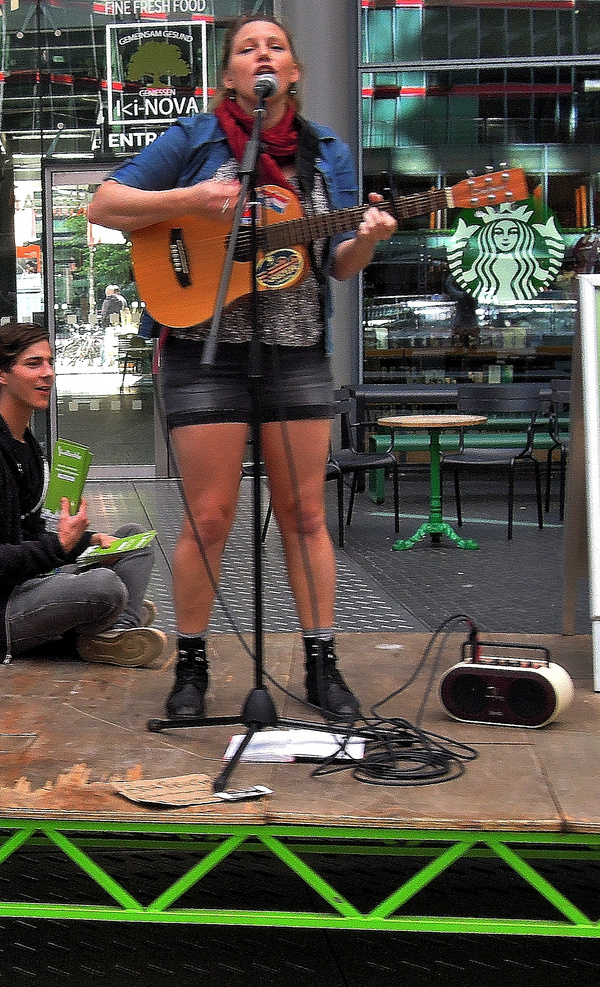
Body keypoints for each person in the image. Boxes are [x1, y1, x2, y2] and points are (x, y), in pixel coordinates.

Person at [87, 14, 397, 722]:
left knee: (305, 514)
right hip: (202, 354)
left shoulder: (326, 156)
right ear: (229, 75)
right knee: (209, 517)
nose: (263, 54)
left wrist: (370, 240)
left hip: (295, 354)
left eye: (277, 46)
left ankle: (322, 665)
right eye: (247, 48)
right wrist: (191, 199)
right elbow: (106, 202)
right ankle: (191, 667)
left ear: (293, 72)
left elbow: (339, 262)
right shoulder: (193, 141)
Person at [0, 322, 166, 667]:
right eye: (34, 364)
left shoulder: (23, 445)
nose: (48, 374)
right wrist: (60, 547)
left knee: (133, 538)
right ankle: (115, 622)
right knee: (105, 586)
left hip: (25, 584)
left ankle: (114, 630)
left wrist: (85, 542)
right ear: (1, 374)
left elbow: (27, 531)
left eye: (50, 363)